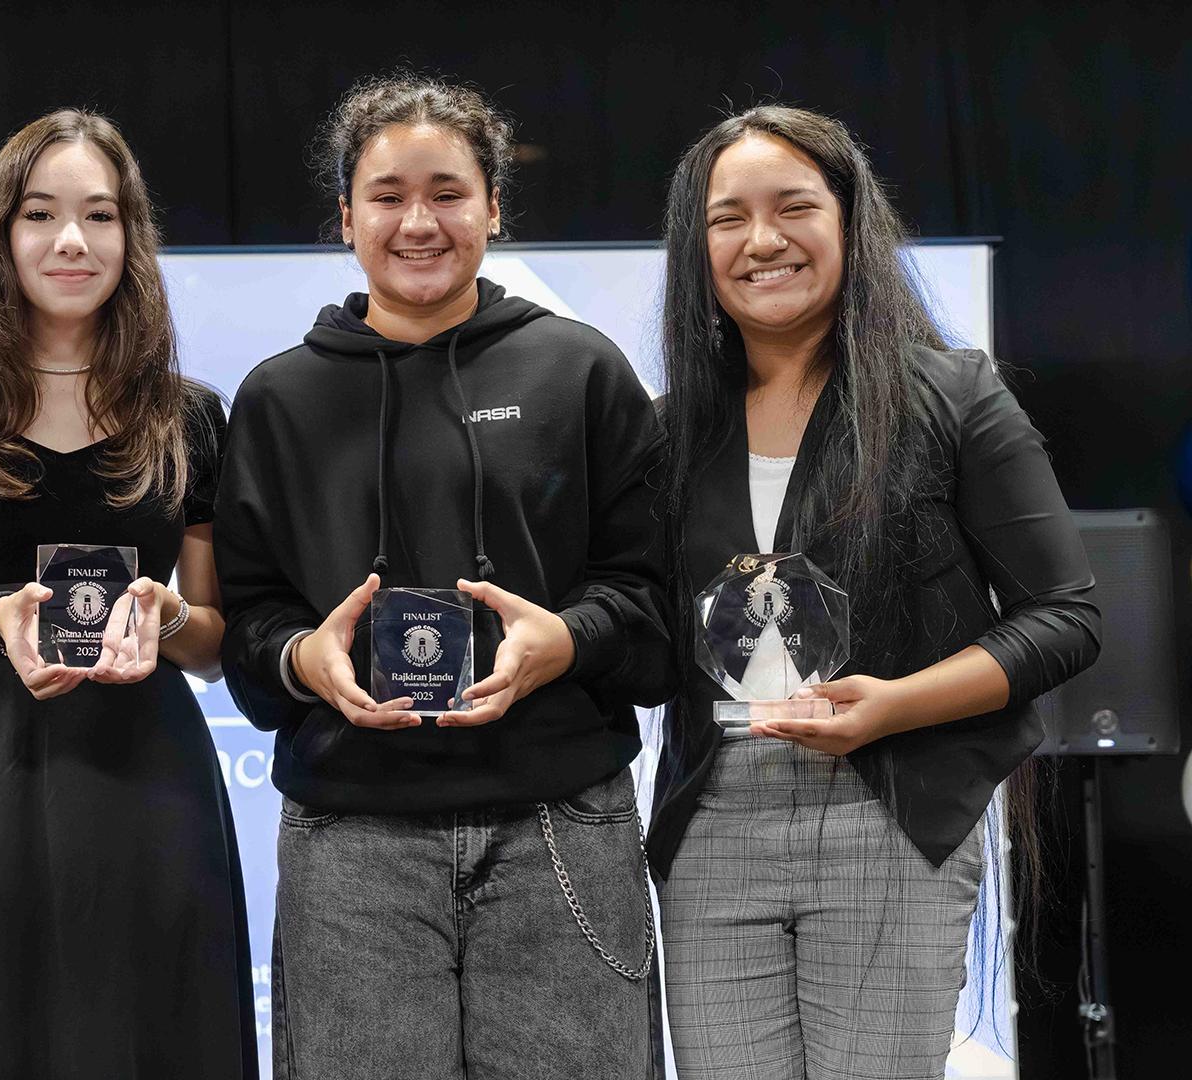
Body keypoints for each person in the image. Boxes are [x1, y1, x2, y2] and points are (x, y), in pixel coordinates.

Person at [214, 73, 673, 1079]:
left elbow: (654, 608)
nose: (418, 221)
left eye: (449, 192)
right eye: (386, 195)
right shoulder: (278, 400)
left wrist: (569, 640)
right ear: (344, 217)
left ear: (495, 206)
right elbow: (241, 625)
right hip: (351, 838)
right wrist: (304, 657)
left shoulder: (581, 371)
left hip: (561, 821)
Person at [646, 105, 1101, 1079]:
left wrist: (893, 706)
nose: (762, 240)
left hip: (890, 817)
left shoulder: (954, 393)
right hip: (714, 824)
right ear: (698, 247)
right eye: (729, 218)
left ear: (850, 221)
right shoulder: (664, 433)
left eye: (793, 207)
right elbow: (639, 633)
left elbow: (1065, 618)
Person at [0, 109, 257, 1080]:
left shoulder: (192, 416)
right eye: (40, 215)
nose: (71, 240)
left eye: (99, 216)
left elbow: (213, 638)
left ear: (133, 238)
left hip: (154, 784)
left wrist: (165, 617)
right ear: (2, 234)